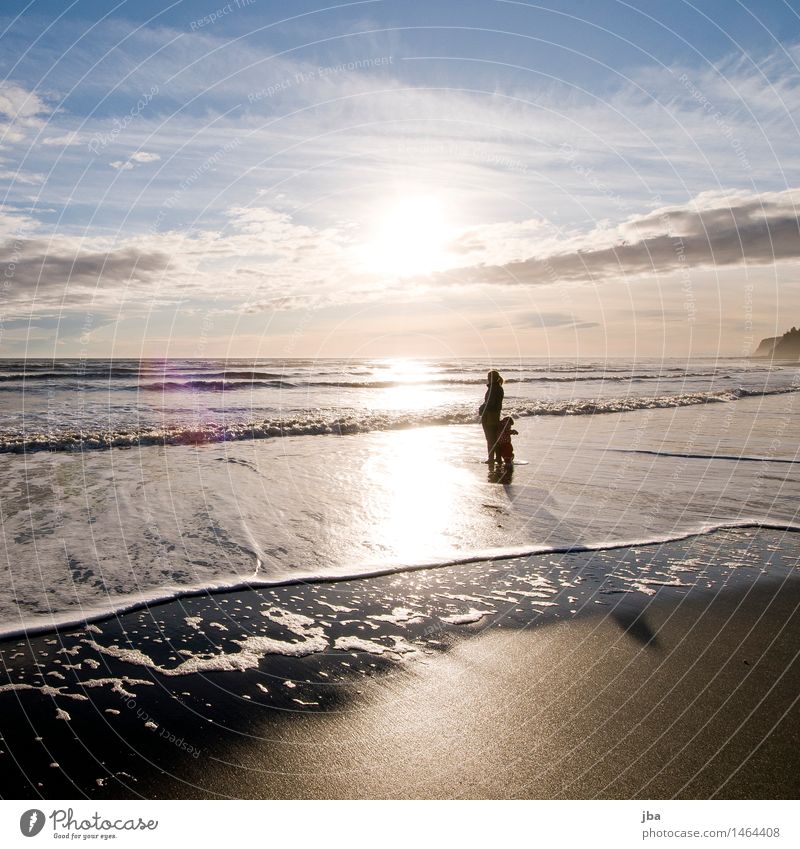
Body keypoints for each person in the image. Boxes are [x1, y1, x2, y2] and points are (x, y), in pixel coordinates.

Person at [479, 369, 504, 463]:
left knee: (490, 438)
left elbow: (490, 403)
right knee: (494, 437)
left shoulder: (493, 389)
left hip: (490, 415)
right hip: (495, 414)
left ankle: (491, 459)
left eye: (488, 377)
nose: (487, 379)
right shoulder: (498, 388)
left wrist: (481, 408)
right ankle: (497, 458)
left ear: (491, 378)